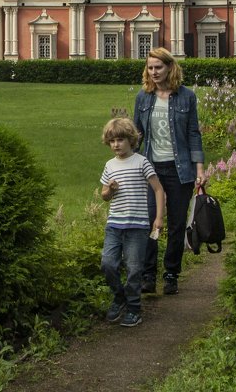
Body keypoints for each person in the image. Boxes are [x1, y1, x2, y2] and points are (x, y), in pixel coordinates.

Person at [132, 47, 204, 295]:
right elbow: (136, 134)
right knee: (151, 220)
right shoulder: (143, 97)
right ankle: (148, 275)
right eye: (150, 68)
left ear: (170, 67)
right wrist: (127, 160)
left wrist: (200, 168)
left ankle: (171, 274)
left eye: (158, 67)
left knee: (175, 224)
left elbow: (193, 134)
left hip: (179, 169)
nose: (153, 72)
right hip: (151, 168)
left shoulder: (186, 97)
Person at [99, 117, 165, 328]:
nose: (116, 144)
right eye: (112, 141)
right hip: (114, 225)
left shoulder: (141, 162)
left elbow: (158, 189)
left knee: (135, 268)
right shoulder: (109, 166)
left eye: (120, 139)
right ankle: (120, 297)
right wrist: (110, 189)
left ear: (131, 139)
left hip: (137, 225)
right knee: (108, 264)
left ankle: (134, 308)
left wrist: (159, 218)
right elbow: (104, 196)